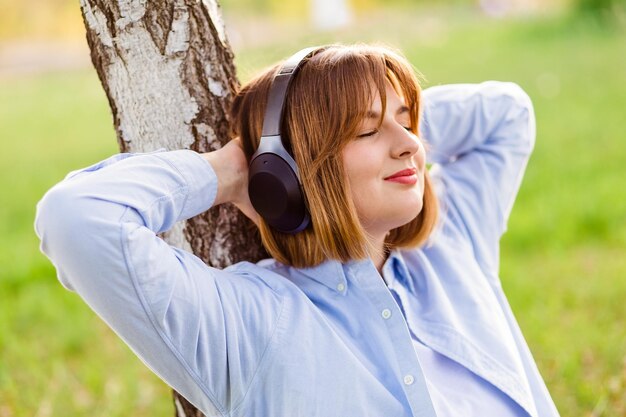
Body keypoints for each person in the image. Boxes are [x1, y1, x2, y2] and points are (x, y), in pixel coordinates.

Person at [35, 44, 560, 417]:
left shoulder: (452, 242)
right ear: (284, 175)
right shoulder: (248, 325)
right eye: (366, 130)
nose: (412, 146)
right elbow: (77, 219)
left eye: (409, 121)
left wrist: (358, 94)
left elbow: (506, 114)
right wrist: (240, 169)